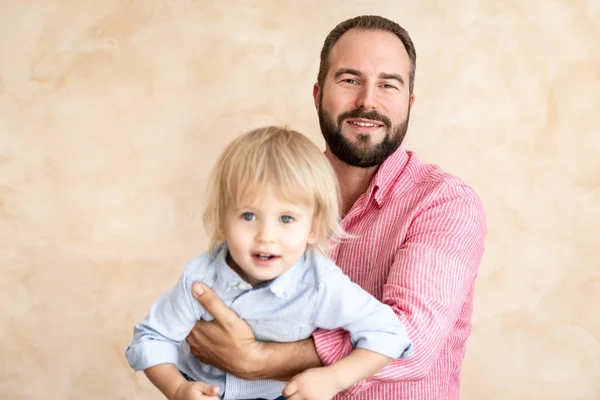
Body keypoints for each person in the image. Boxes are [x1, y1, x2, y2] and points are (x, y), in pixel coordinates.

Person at [184, 15, 487, 400]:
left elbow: (412, 338)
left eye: (388, 85)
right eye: (349, 80)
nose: (367, 101)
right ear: (317, 94)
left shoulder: (444, 202)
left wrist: (260, 360)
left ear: (409, 103)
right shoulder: (273, 193)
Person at [125, 126, 413, 400]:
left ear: (313, 228)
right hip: (202, 389)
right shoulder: (202, 277)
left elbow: (388, 333)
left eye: (286, 219)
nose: (265, 236)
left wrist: (334, 378)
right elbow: (152, 338)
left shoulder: (319, 284)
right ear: (223, 222)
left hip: (278, 393)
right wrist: (176, 390)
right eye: (248, 216)